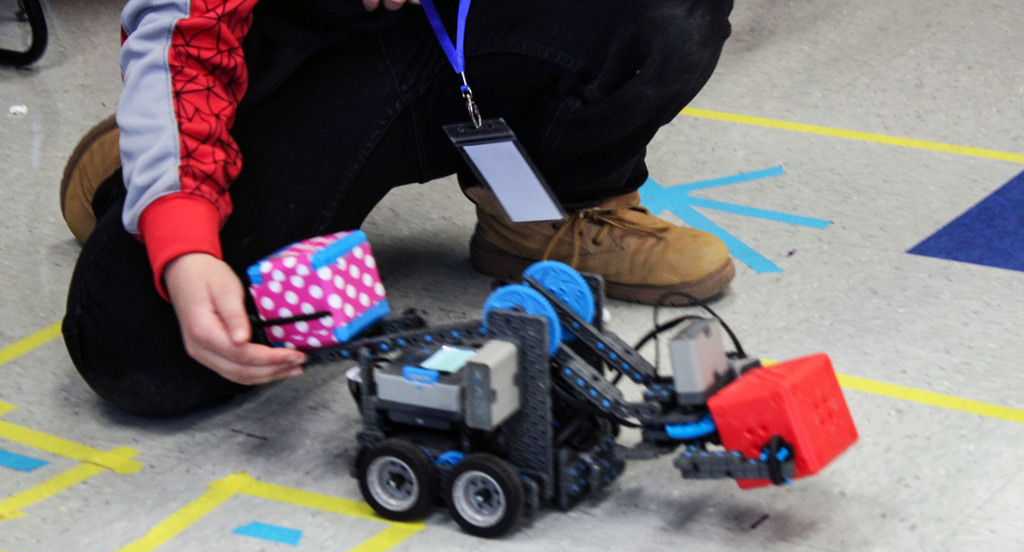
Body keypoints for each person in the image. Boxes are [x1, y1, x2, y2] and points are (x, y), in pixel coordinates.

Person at [61, 0, 736, 417]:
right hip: (295, 71)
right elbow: (189, 31)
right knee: (145, 352)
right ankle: (161, 153)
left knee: (663, 11)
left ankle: (555, 208)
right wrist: (183, 236)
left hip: (461, 37)